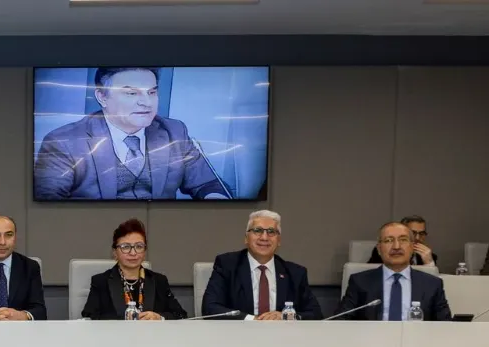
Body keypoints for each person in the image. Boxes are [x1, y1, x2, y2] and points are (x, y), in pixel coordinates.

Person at [34, 67, 231, 201]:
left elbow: (208, 184)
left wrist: (216, 204)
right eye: (131, 93)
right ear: (102, 97)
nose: (146, 102)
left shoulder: (174, 131)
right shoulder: (64, 141)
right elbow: (48, 203)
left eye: (151, 92)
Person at [202, 210, 322, 320]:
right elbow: (210, 308)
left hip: (282, 334)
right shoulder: (227, 265)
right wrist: (252, 319)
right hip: (239, 333)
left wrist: (286, 316)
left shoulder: (295, 273)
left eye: (271, 232)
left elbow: (315, 313)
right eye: (257, 230)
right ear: (246, 238)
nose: (264, 237)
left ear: (279, 240)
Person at [337, 222, 451, 321]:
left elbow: (445, 325)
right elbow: (341, 320)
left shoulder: (432, 284)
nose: (396, 247)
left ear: (412, 247)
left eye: (403, 240)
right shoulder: (360, 282)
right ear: (379, 249)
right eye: (388, 240)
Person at [81, 218, 187, 320]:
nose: (133, 253)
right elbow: (89, 316)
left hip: (151, 332)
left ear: (145, 251)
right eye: (126, 247)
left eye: (139, 246)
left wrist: (160, 317)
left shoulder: (159, 281)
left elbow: (180, 314)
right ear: (115, 252)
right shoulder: (100, 282)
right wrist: (126, 320)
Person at [367, 215, 437, 267]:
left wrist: (429, 263)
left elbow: (433, 280)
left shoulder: (429, 255)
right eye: (413, 233)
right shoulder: (385, 251)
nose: (417, 238)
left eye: (421, 233)